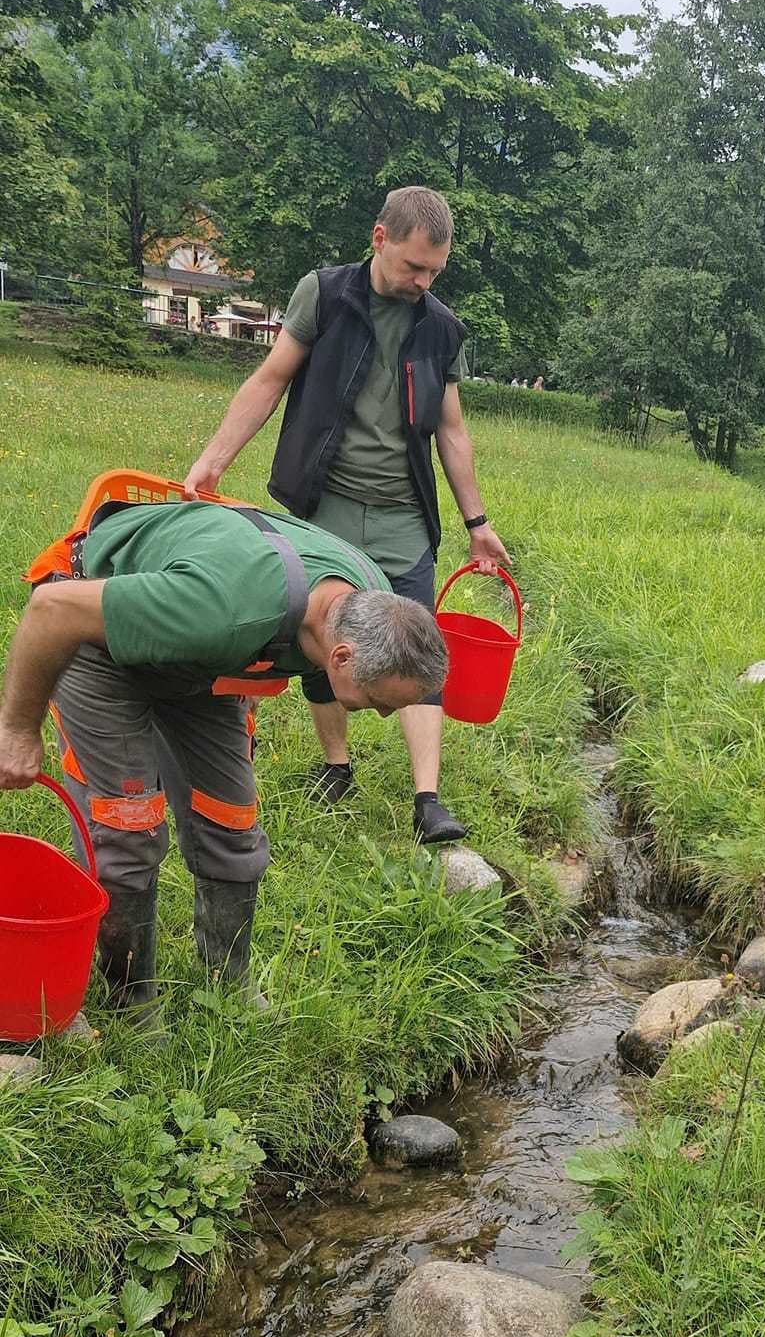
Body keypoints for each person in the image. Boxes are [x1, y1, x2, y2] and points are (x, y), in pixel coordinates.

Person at [0, 495, 448, 1023]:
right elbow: (52, 611)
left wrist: (249, 668)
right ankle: (131, 999)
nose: (377, 715)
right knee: (127, 830)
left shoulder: (366, 596)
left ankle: (226, 982)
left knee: (232, 823)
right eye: (379, 701)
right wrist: (16, 730)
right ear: (342, 657)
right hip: (92, 634)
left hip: (196, 652)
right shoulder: (225, 609)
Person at [182, 185, 511, 844]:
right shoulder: (327, 296)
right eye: (414, 266)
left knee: (419, 645)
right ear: (380, 237)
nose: (422, 282)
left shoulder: (442, 328)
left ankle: (428, 799)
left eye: (434, 273)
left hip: (401, 515)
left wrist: (478, 525)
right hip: (323, 506)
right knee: (322, 637)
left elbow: (451, 429)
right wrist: (213, 460)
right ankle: (338, 766)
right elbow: (271, 378)